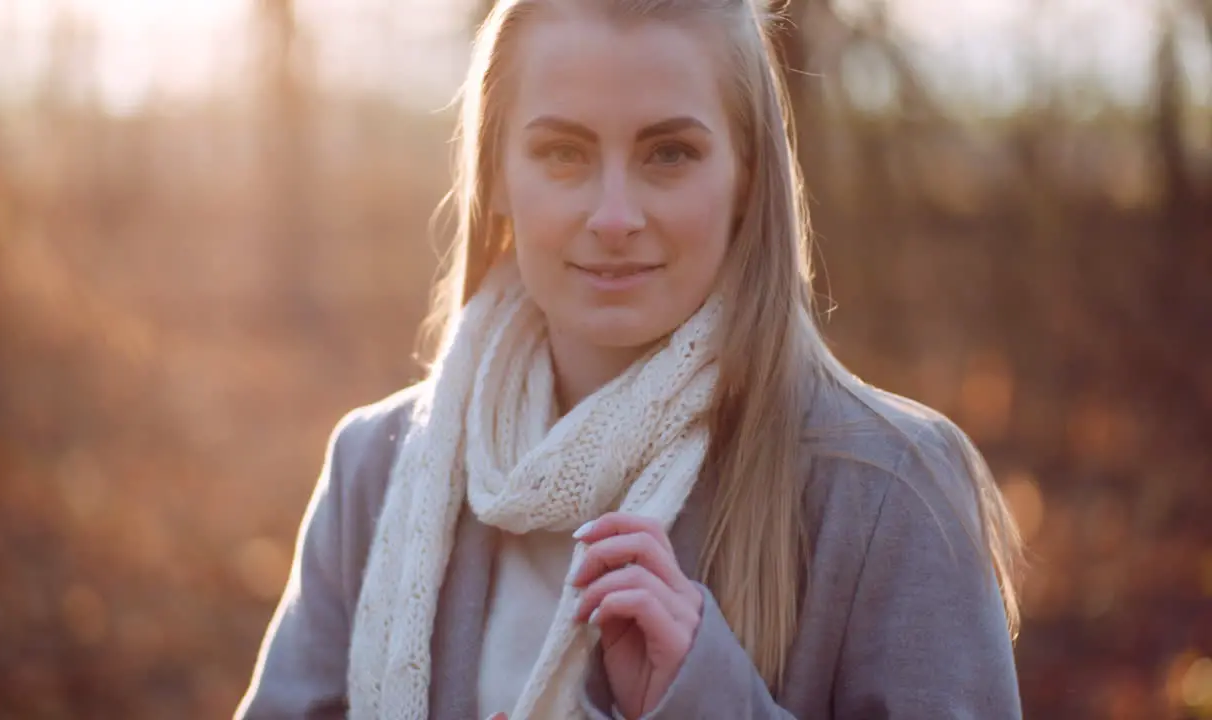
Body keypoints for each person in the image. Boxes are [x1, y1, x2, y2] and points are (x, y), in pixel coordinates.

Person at [235, 0, 1025, 717]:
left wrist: (706, 700)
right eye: (563, 154)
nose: (614, 217)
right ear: (498, 175)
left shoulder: (888, 490)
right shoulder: (374, 468)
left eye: (670, 154)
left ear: (747, 177)